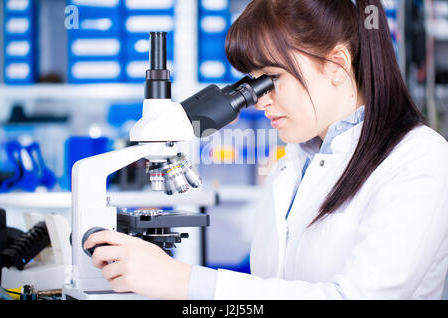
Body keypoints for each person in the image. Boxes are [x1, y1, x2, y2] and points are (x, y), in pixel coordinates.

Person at [84, 0, 448, 299]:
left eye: (271, 79)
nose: (260, 101)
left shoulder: (420, 161)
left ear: (336, 65)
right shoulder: (294, 165)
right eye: (253, 83)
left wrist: (185, 282)